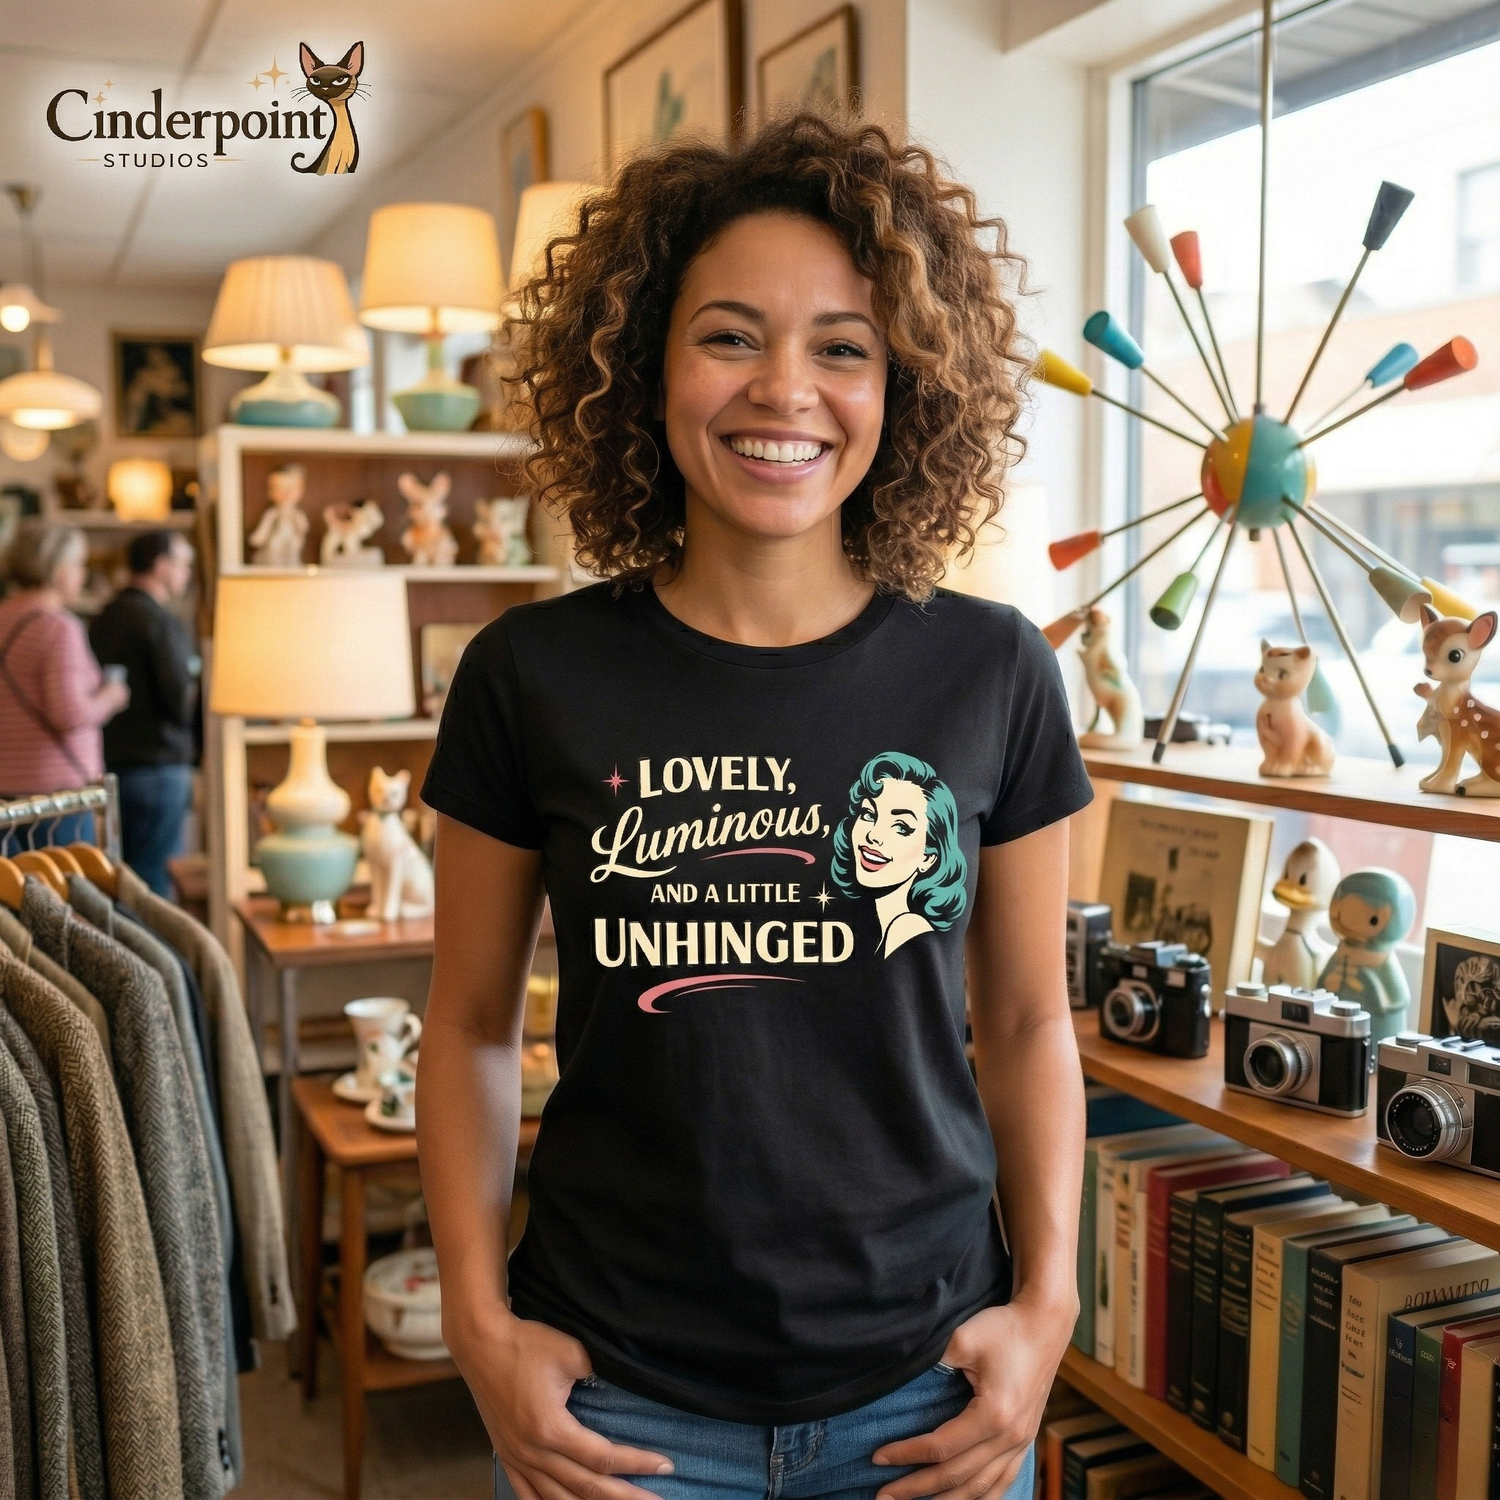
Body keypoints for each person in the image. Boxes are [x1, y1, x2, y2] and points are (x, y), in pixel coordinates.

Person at [418, 113, 1093, 1500]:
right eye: (731, 335)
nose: (785, 389)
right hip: (616, 1411)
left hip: (926, 1398)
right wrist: (481, 1330)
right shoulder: (528, 674)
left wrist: (1049, 1310)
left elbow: (1027, 1021)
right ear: (645, 366)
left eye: (842, 346)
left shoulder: (994, 668)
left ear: (902, 384)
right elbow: (470, 1026)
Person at [0, 521, 129, 847]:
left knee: (15, 892)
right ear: (57, 569)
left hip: (6, 790)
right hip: (55, 796)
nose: (82, 574)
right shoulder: (58, 627)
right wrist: (111, 697)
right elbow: (67, 714)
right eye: (78, 564)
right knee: (62, 892)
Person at [89, 528, 199, 897]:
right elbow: (178, 699)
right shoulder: (159, 620)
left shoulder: (102, 617)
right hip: (158, 767)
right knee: (154, 887)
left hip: (111, 765)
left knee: (122, 880)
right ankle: (160, 958)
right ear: (161, 565)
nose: (187, 573)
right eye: (183, 563)